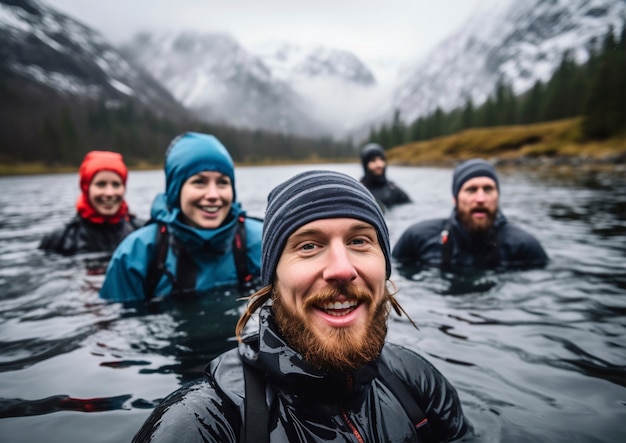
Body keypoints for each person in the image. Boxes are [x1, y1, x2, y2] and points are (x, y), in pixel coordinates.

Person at [133, 170, 469, 443]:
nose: (342, 268)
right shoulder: (206, 423)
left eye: (359, 241)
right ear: (273, 281)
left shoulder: (415, 382)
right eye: (309, 245)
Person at [99, 132, 263, 302]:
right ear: (175, 191)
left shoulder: (261, 242)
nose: (213, 195)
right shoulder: (134, 255)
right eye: (199, 181)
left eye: (222, 182)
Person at [392, 158, 549, 271]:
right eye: (471, 190)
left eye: (488, 189)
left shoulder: (525, 248)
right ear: (455, 198)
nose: (481, 199)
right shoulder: (416, 239)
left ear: (498, 196)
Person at [39, 150, 144, 255]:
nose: (109, 193)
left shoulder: (142, 233)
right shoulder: (58, 240)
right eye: (101, 184)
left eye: (116, 184)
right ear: (86, 188)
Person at [359, 142, 411, 209]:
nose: (379, 165)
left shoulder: (394, 190)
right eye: (373, 160)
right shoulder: (360, 192)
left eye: (381, 159)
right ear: (365, 165)